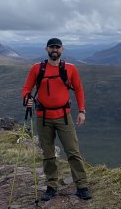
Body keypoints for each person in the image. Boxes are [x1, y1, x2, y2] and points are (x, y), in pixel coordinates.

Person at [22, 37, 92, 201]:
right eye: (51, 47)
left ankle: (82, 186)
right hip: (43, 117)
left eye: (57, 47)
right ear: (46, 49)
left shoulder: (70, 69)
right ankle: (51, 186)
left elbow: (79, 90)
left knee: (73, 151)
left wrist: (82, 111)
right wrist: (27, 98)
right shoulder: (36, 68)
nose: (55, 50)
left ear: (62, 49)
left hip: (63, 117)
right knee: (48, 153)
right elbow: (27, 88)